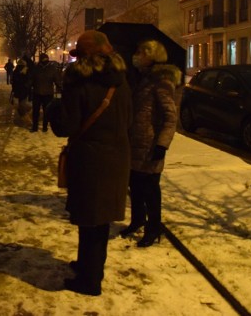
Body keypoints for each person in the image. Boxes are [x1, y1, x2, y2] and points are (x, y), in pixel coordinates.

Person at [60, 30, 132, 296]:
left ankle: (90, 281)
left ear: (86, 55)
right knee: (99, 222)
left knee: (90, 220)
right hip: (116, 159)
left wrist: (57, 107)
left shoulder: (81, 83)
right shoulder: (121, 82)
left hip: (90, 161)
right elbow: (130, 121)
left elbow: (66, 124)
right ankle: (89, 267)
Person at [121, 40, 181, 247]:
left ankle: (153, 228)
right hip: (136, 143)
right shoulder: (144, 79)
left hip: (150, 146)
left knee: (150, 190)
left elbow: (171, 117)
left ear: (151, 55)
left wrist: (162, 145)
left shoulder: (161, 81)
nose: (136, 55)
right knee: (135, 185)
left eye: (140, 52)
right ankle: (138, 220)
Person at [30, 53, 62, 132]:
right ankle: (44, 127)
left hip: (38, 92)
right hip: (47, 93)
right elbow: (57, 81)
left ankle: (35, 127)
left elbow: (31, 80)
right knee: (46, 111)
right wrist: (60, 88)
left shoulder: (36, 68)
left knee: (36, 111)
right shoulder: (52, 68)